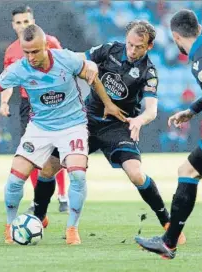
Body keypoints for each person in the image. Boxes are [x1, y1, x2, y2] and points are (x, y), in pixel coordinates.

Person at [0, 25, 126, 245]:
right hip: (39, 128)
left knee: (77, 175)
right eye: (26, 51)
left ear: (46, 46)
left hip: (72, 125)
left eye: (35, 52)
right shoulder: (19, 69)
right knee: (14, 180)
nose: (30, 57)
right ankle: (10, 226)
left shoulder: (65, 59)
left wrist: (108, 104)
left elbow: (92, 74)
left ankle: (72, 228)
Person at [31, 19, 186, 246]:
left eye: (139, 47)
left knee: (136, 174)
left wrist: (139, 120)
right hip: (85, 120)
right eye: (130, 44)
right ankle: (39, 216)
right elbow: (79, 58)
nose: (132, 50)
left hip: (118, 126)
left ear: (149, 46)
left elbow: (151, 110)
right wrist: (53, 55)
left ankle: (167, 222)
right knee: (48, 167)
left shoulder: (149, 72)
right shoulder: (110, 50)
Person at [135, 9, 202, 259]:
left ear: (175, 36)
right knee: (188, 170)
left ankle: (169, 242)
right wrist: (193, 110)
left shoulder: (198, 56)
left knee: (188, 171)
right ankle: (169, 241)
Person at [0, 5, 68, 213]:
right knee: (30, 154)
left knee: (55, 152)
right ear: (13, 25)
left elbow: (66, 67)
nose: (22, 26)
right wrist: (3, 102)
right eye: (18, 22)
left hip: (53, 102)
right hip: (28, 105)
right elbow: (6, 80)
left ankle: (63, 195)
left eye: (26, 21)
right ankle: (39, 198)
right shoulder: (11, 51)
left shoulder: (51, 42)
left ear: (33, 21)